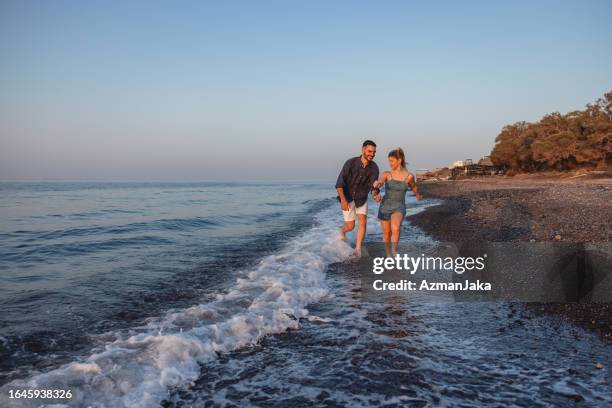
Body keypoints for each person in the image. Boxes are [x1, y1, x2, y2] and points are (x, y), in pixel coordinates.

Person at [335, 140, 381, 256]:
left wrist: (375, 194)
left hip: (362, 198)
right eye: (370, 151)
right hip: (348, 197)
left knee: (363, 222)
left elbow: (373, 186)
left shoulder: (374, 168)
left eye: (374, 152)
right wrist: (343, 200)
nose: (372, 154)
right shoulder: (350, 163)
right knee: (350, 226)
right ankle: (342, 231)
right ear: (363, 150)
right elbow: (340, 183)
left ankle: (358, 248)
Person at [373, 147, 422, 256]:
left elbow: (413, 186)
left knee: (395, 228)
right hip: (385, 207)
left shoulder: (409, 176)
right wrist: (376, 187)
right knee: (386, 233)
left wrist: (417, 194)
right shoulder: (387, 174)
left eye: (391, 161)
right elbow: (380, 183)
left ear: (399, 160)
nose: (390, 163)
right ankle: (388, 253)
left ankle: (394, 249)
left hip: (399, 206)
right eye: (389, 161)